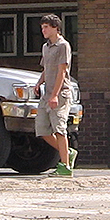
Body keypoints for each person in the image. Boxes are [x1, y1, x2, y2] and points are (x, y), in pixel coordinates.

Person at [33, 14, 75, 175]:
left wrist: (55, 95)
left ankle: (65, 167)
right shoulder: (46, 47)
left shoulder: (63, 46)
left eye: (46, 27)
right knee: (42, 130)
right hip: (46, 94)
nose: (43, 30)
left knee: (59, 129)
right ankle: (68, 153)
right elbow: (46, 68)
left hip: (60, 94)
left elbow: (62, 71)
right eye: (42, 27)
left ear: (56, 28)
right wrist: (39, 83)